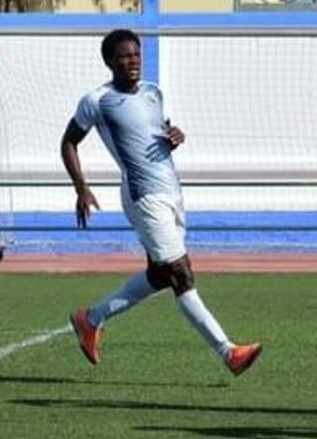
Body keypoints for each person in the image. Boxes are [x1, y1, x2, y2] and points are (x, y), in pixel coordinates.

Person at [60, 29, 262, 376]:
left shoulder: (153, 92)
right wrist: (81, 188)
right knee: (180, 272)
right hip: (143, 195)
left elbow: (154, 131)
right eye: (124, 56)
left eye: (136, 54)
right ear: (109, 61)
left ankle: (90, 320)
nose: (133, 61)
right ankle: (229, 352)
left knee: (159, 274)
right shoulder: (97, 101)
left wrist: (174, 135)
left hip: (172, 191)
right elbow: (68, 142)